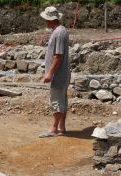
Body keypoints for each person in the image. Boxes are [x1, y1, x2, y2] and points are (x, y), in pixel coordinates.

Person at [39, 6, 71, 139]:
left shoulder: (58, 33)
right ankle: (62, 127)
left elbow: (58, 56)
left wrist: (49, 73)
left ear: (51, 20)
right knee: (62, 100)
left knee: (57, 101)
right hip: (62, 74)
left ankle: (54, 129)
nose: (45, 22)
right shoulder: (60, 31)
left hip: (58, 75)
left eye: (46, 19)